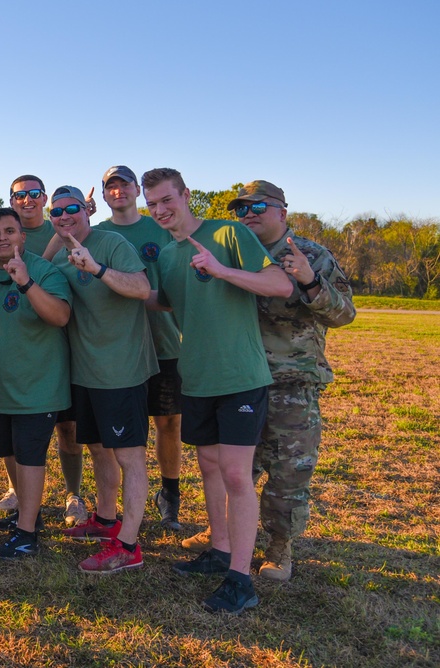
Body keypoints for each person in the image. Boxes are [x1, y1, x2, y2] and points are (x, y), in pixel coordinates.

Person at [143, 167, 293, 613]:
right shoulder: (168, 255)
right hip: (198, 376)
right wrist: (104, 277)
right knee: (208, 466)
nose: (161, 211)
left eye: (167, 200)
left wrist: (222, 270)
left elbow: (280, 285)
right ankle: (220, 550)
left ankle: (240, 581)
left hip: (240, 376)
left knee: (234, 474)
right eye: (152, 205)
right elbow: (164, 299)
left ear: (186, 196)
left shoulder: (228, 234)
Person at [232, 180, 356, 580]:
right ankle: (227, 535)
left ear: (282, 213)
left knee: (288, 471)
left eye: (258, 207)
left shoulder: (312, 255)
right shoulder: (237, 254)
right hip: (240, 377)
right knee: (234, 467)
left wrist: (309, 281)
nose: (249, 214)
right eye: (242, 209)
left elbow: (344, 314)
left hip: (291, 381)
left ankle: (279, 549)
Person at [48, 186, 157, 574]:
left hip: (120, 369)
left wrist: (95, 268)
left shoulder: (111, 243)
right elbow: (38, 266)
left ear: (87, 210)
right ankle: (106, 520)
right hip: (85, 369)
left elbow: (142, 289)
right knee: (97, 447)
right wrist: (58, 237)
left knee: (129, 456)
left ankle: (128, 544)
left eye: (71, 209)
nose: (64, 216)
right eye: (56, 212)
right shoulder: (61, 250)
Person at [0, 209, 71, 559]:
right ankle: (29, 514)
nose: (3, 238)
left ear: (22, 237)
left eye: (10, 231)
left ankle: (26, 535)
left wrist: (25, 282)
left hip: (37, 388)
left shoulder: (44, 270)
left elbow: (59, 316)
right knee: (8, 452)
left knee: (29, 456)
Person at [97, 166, 184, 530]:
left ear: (136, 190)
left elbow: (177, 282)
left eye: (124, 185)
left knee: (168, 422)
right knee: (119, 436)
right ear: (104, 195)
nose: (118, 192)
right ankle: (111, 507)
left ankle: (170, 494)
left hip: (162, 342)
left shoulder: (158, 227)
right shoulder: (97, 233)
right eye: (110, 187)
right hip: (117, 349)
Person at [3, 175, 85, 526]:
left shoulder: (62, 229)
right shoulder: (3, 232)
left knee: (68, 429)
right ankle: (15, 490)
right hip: (17, 347)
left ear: (44, 198)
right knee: (14, 427)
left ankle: (73, 493)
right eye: (19, 195)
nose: (27, 200)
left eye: (34, 194)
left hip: (61, 341)